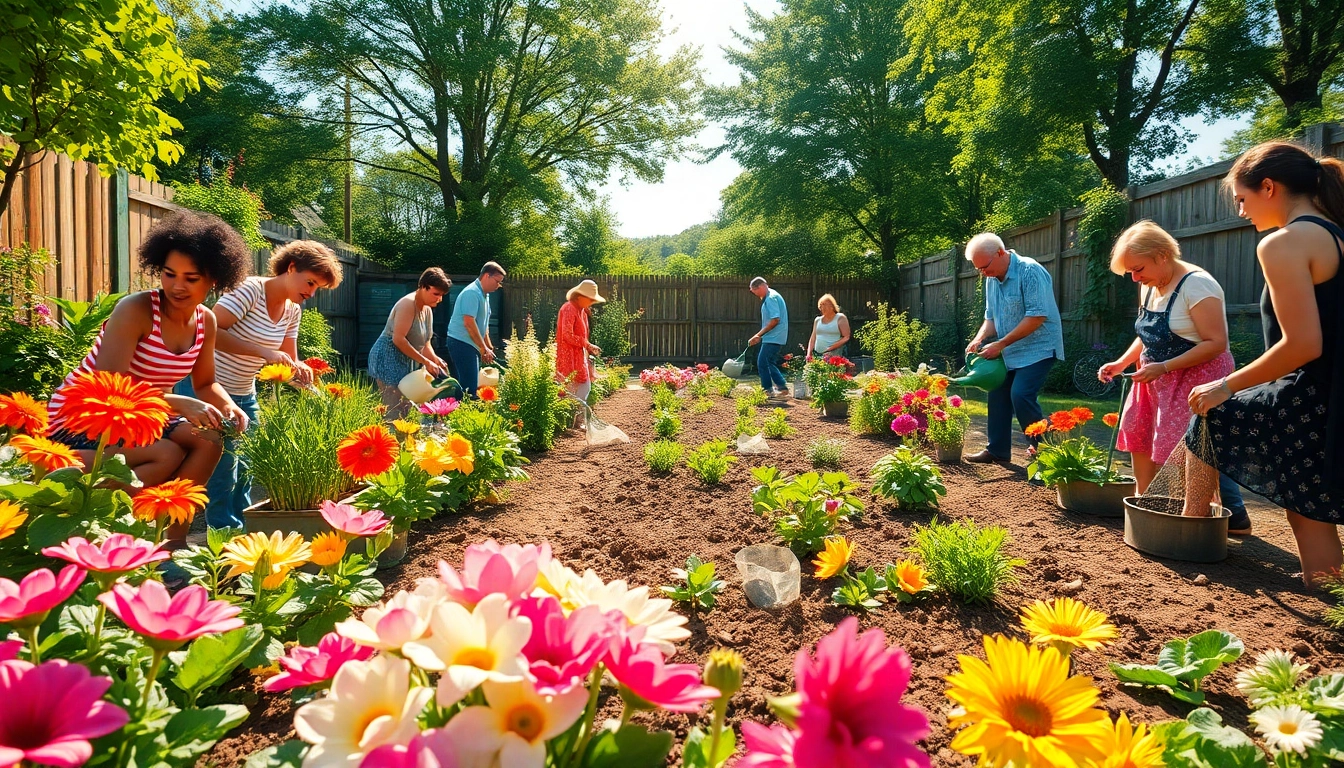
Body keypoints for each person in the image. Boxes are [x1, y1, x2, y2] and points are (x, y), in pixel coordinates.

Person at [1187, 141, 1344, 587]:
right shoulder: (1336, 233)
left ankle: (1187, 538)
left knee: (1212, 415)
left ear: (1269, 187)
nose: (1241, 212)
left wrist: (1226, 385)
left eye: (1242, 198)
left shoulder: (1285, 243)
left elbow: (1303, 345)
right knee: (1311, 505)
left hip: (1315, 394)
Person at [47, 210, 252, 549]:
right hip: (87, 418)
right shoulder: (137, 309)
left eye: (191, 278)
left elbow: (205, 384)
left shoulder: (207, 321)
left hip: (143, 415)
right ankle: (100, 524)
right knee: (167, 455)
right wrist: (176, 402)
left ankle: (172, 540)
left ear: (213, 280)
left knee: (210, 438)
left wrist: (229, 407)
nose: (177, 286)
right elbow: (107, 388)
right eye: (169, 274)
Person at [176, 240, 343, 530]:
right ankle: (223, 536)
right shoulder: (251, 289)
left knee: (248, 467)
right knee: (223, 471)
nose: (312, 292)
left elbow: (287, 361)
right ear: (291, 268)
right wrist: (264, 352)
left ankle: (245, 531)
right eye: (311, 282)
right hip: (206, 388)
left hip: (244, 391)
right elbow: (209, 331)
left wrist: (307, 382)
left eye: (318, 288)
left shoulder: (292, 310)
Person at [1096, 221, 1251, 535]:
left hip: (1196, 377)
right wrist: (1122, 361)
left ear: (1162, 255)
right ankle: (1147, 503)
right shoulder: (1150, 282)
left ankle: (1198, 518)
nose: (1136, 278)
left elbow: (1215, 343)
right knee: (1138, 433)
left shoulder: (1198, 286)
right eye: (1131, 273)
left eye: (1138, 269)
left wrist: (1163, 368)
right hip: (1154, 376)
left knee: (1186, 448)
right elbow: (1149, 334)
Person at [963, 233, 1066, 464]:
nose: (982, 273)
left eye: (984, 266)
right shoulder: (991, 278)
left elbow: (1037, 316)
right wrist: (979, 338)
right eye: (978, 269)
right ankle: (997, 450)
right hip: (1009, 351)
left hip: (1039, 347)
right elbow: (990, 317)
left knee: (1020, 394)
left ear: (1000, 253)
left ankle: (1046, 455)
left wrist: (1000, 344)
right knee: (997, 393)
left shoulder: (1030, 271)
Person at [368, 267, 451, 416]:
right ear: (423, 287)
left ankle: (404, 437)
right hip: (387, 355)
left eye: (442, 295)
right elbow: (398, 339)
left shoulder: (427, 310)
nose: (440, 299)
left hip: (406, 359)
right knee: (392, 408)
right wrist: (426, 362)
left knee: (406, 407)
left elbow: (425, 344)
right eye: (436, 294)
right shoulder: (407, 304)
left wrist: (435, 360)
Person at [446, 262, 506, 398]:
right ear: (486, 276)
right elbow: (469, 323)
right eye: (497, 281)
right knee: (469, 388)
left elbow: (483, 325)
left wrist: (488, 346)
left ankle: (458, 413)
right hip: (461, 342)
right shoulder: (472, 293)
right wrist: (483, 348)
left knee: (468, 385)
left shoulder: (485, 295)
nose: (498, 286)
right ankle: (462, 416)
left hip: (470, 343)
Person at [555, 279, 605, 422]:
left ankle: (577, 419)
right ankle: (569, 420)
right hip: (568, 355)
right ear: (579, 296)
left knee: (583, 387)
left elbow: (582, 337)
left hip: (578, 355)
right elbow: (567, 335)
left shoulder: (582, 311)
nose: (591, 302)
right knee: (572, 388)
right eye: (590, 299)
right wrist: (587, 345)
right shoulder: (569, 308)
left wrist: (589, 346)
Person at [747, 277, 789, 397]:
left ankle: (768, 390)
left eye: (754, 291)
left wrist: (758, 335)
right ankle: (781, 387)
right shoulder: (772, 296)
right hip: (774, 336)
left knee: (763, 362)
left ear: (759, 287)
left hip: (774, 336)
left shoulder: (771, 298)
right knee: (768, 361)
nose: (755, 294)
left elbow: (775, 319)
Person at [807, 294, 851, 360]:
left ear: (832, 306)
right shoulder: (817, 320)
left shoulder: (840, 318)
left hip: (833, 354)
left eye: (825, 305)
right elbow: (813, 338)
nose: (822, 308)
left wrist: (830, 349)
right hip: (817, 355)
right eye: (821, 305)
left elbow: (846, 337)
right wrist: (809, 354)